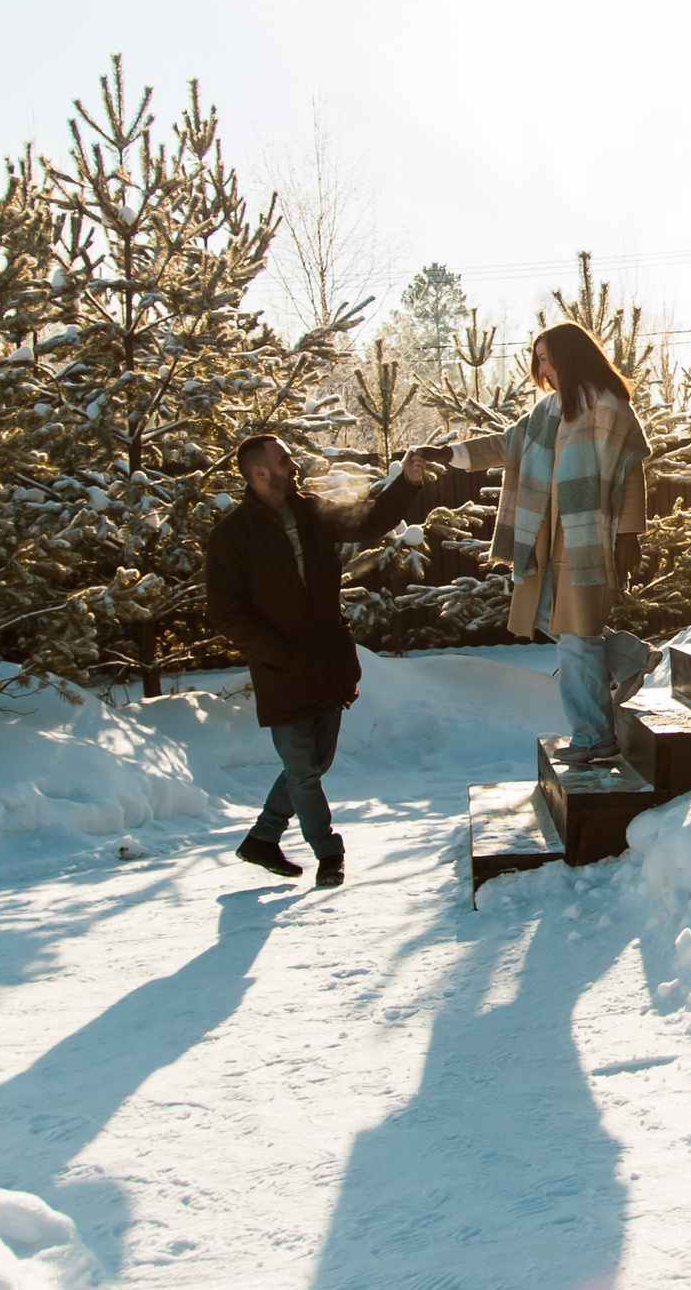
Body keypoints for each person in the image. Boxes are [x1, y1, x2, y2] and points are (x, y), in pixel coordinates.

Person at [203, 429, 443, 884]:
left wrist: (407, 482)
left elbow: (369, 521)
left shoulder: (310, 511)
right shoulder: (232, 536)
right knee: (302, 770)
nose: (294, 466)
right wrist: (280, 652)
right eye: (283, 461)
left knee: (315, 764)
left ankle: (263, 837)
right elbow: (226, 611)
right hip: (280, 669)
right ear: (259, 473)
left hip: (327, 662)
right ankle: (328, 853)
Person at [435, 323, 651, 759]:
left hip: (588, 540)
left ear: (569, 357)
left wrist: (629, 533)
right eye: (538, 359)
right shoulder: (547, 412)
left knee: (576, 639)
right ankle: (630, 659)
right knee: (556, 623)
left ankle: (594, 736)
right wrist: (448, 455)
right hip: (545, 542)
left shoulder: (607, 406)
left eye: (546, 358)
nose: (541, 368)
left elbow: (631, 473)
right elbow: (505, 445)